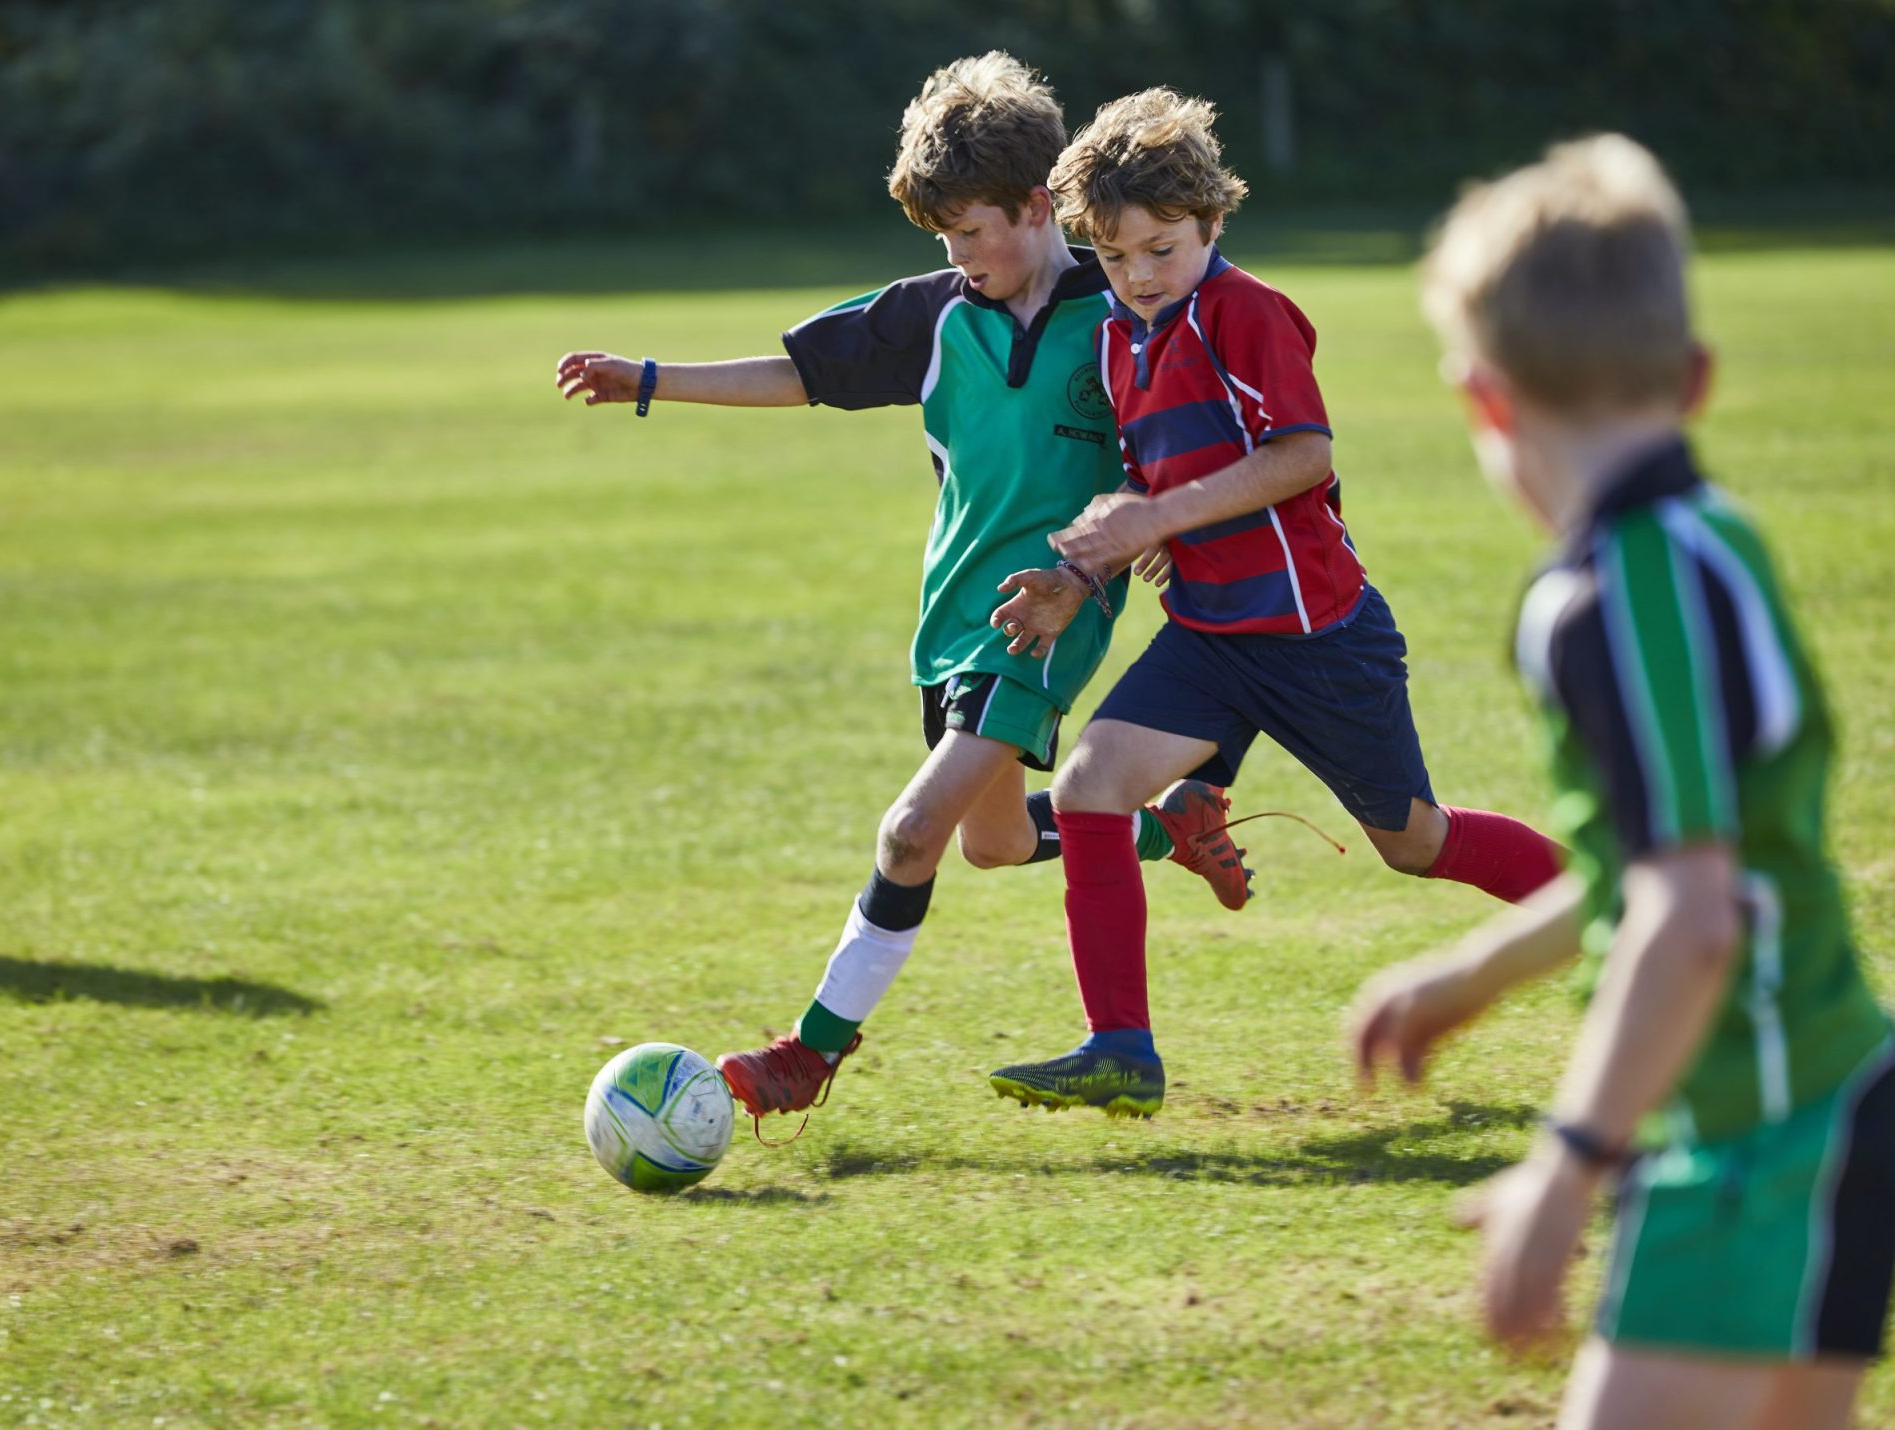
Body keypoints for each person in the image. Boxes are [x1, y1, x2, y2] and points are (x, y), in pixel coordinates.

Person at [554, 55, 1249, 1137]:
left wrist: (1145, 523)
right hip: (949, 618)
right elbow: (802, 371)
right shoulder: (934, 314)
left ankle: (808, 1051)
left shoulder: (1118, 306)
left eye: (971, 232)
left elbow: (1188, 422)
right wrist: (651, 379)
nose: (957, 256)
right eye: (941, 241)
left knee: (910, 832)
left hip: (1043, 613)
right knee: (993, 843)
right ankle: (1168, 826)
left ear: (1034, 205)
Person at [1351, 134, 1893, 1428]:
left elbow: (1688, 917)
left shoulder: (1605, 598)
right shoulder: (1719, 538)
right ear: (1695, 377)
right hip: (1836, 1098)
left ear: (1484, 399)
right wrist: (1474, 973)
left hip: (1750, 1142)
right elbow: (1682, 868)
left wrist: (1568, 1160)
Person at [986, 88, 1564, 1118]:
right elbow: (1137, 496)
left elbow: (1301, 458)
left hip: (1316, 641)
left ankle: (1620, 911)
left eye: (1162, 248)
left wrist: (1158, 516)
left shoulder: (1244, 313)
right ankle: (1120, 1047)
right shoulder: (1119, 339)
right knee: (1086, 788)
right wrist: (1077, 578)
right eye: (1115, 258)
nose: (1140, 276)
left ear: (1211, 220)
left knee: (1414, 842)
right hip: (1210, 639)